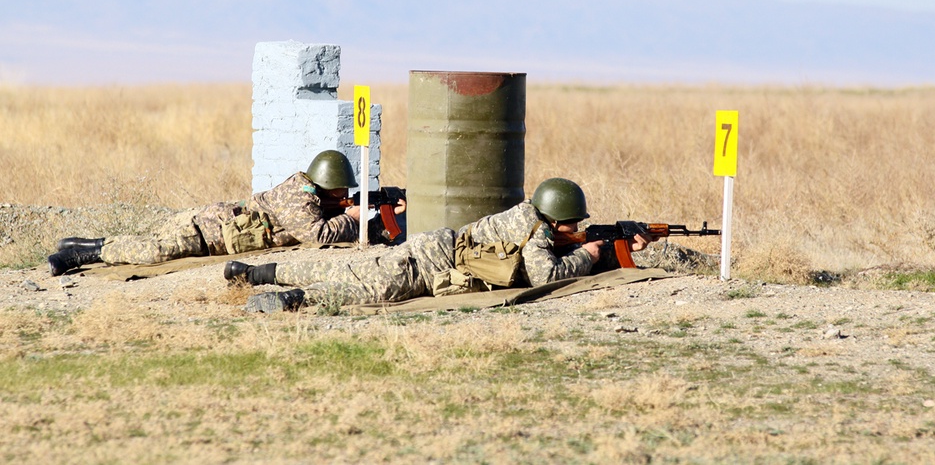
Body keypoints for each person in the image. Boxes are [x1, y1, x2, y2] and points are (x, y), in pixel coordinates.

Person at [229, 177, 669, 313]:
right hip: (429, 265)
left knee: (348, 271)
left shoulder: (528, 216)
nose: (577, 229)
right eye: (572, 225)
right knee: (371, 290)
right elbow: (545, 274)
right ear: (555, 219)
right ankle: (291, 300)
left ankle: (257, 274)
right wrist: (590, 255)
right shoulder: (536, 232)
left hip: (433, 249)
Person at [47, 150, 406, 276]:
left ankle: (82, 243)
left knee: (150, 246)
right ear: (328, 185)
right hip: (207, 230)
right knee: (153, 252)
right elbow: (318, 235)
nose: (346, 197)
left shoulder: (311, 193)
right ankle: (83, 253)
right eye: (342, 192)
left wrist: (383, 203)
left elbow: (325, 218)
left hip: (216, 229)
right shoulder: (297, 200)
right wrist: (356, 218)